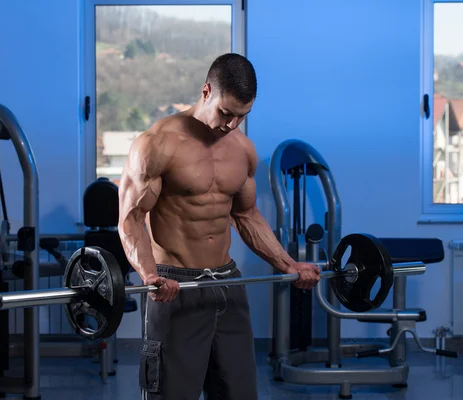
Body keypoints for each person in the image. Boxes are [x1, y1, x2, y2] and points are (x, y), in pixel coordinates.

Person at [117, 53, 321, 400]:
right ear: (206, 91)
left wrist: (289, 264)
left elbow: (247, 216)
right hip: (175, 285)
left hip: (228, 284)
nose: (231, 124)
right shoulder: (157, 144)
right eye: (225, 113)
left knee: (238, 393)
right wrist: (149, 276)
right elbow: (131, 218)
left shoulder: (243, 150)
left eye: (242, 117)